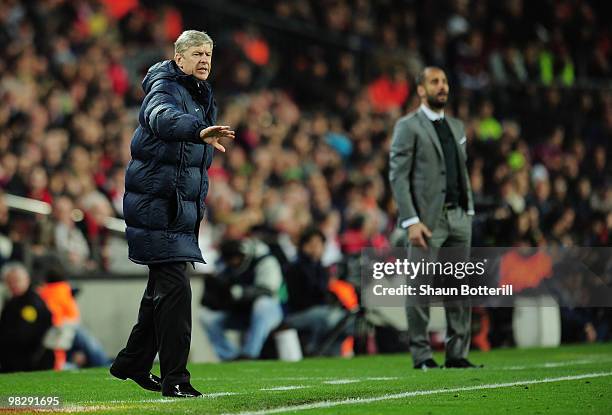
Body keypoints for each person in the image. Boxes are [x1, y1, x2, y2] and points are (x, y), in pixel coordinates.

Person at [110, 30, 235, 398]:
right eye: (197, 53)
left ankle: (132, 362)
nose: (205, 60)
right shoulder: (163, 87)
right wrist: (198, 131)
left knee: (160, 293)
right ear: (178, 58)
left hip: (177, 209)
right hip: (155, 207)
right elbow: (161, 118)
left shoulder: (200, 95)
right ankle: (175, 379)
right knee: (176, 289)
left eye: (209, 54)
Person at [389, 66, 479, 369]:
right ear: (421, 90)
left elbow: (461, 170)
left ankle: (456, 355)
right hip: (428, 221)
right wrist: (411, 220)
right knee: (420, 289)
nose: (442, 86)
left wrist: (468, 211)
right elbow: (398, 177)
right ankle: (422, 355)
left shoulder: (456, 126)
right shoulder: (408, 126)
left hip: (458, 217)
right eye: (434, 82)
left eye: (444, 81)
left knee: (458, 289)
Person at [199, 238, 283, 361]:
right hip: (240, 313)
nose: (234, 261)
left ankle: (250, 354)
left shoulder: (263, 259)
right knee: (206, 317)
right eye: (230, 258)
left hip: (270, 313)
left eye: (237, 257)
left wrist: (241, 293)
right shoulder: (222, 266)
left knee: (262, 304)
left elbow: (268, 290)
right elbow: (209, 300)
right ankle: (231, 357)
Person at [284, 227, 347, 356]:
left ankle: (334, 354)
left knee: (342, 319)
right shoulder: (295, 268)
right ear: (304, 246)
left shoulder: (321, 268)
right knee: (327, 317)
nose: (317, 248)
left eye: (320, 244)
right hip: (297, 314)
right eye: (313, 244)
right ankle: (314, 350)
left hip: (319, 311)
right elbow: (301, 299)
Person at [0, 262, 55, 373]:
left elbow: (24, 334)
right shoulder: (12, 302)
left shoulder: (31, 303)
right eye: (10, 281)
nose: (13, 284)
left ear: (26, 279)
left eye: (17, 280)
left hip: (31, 361)